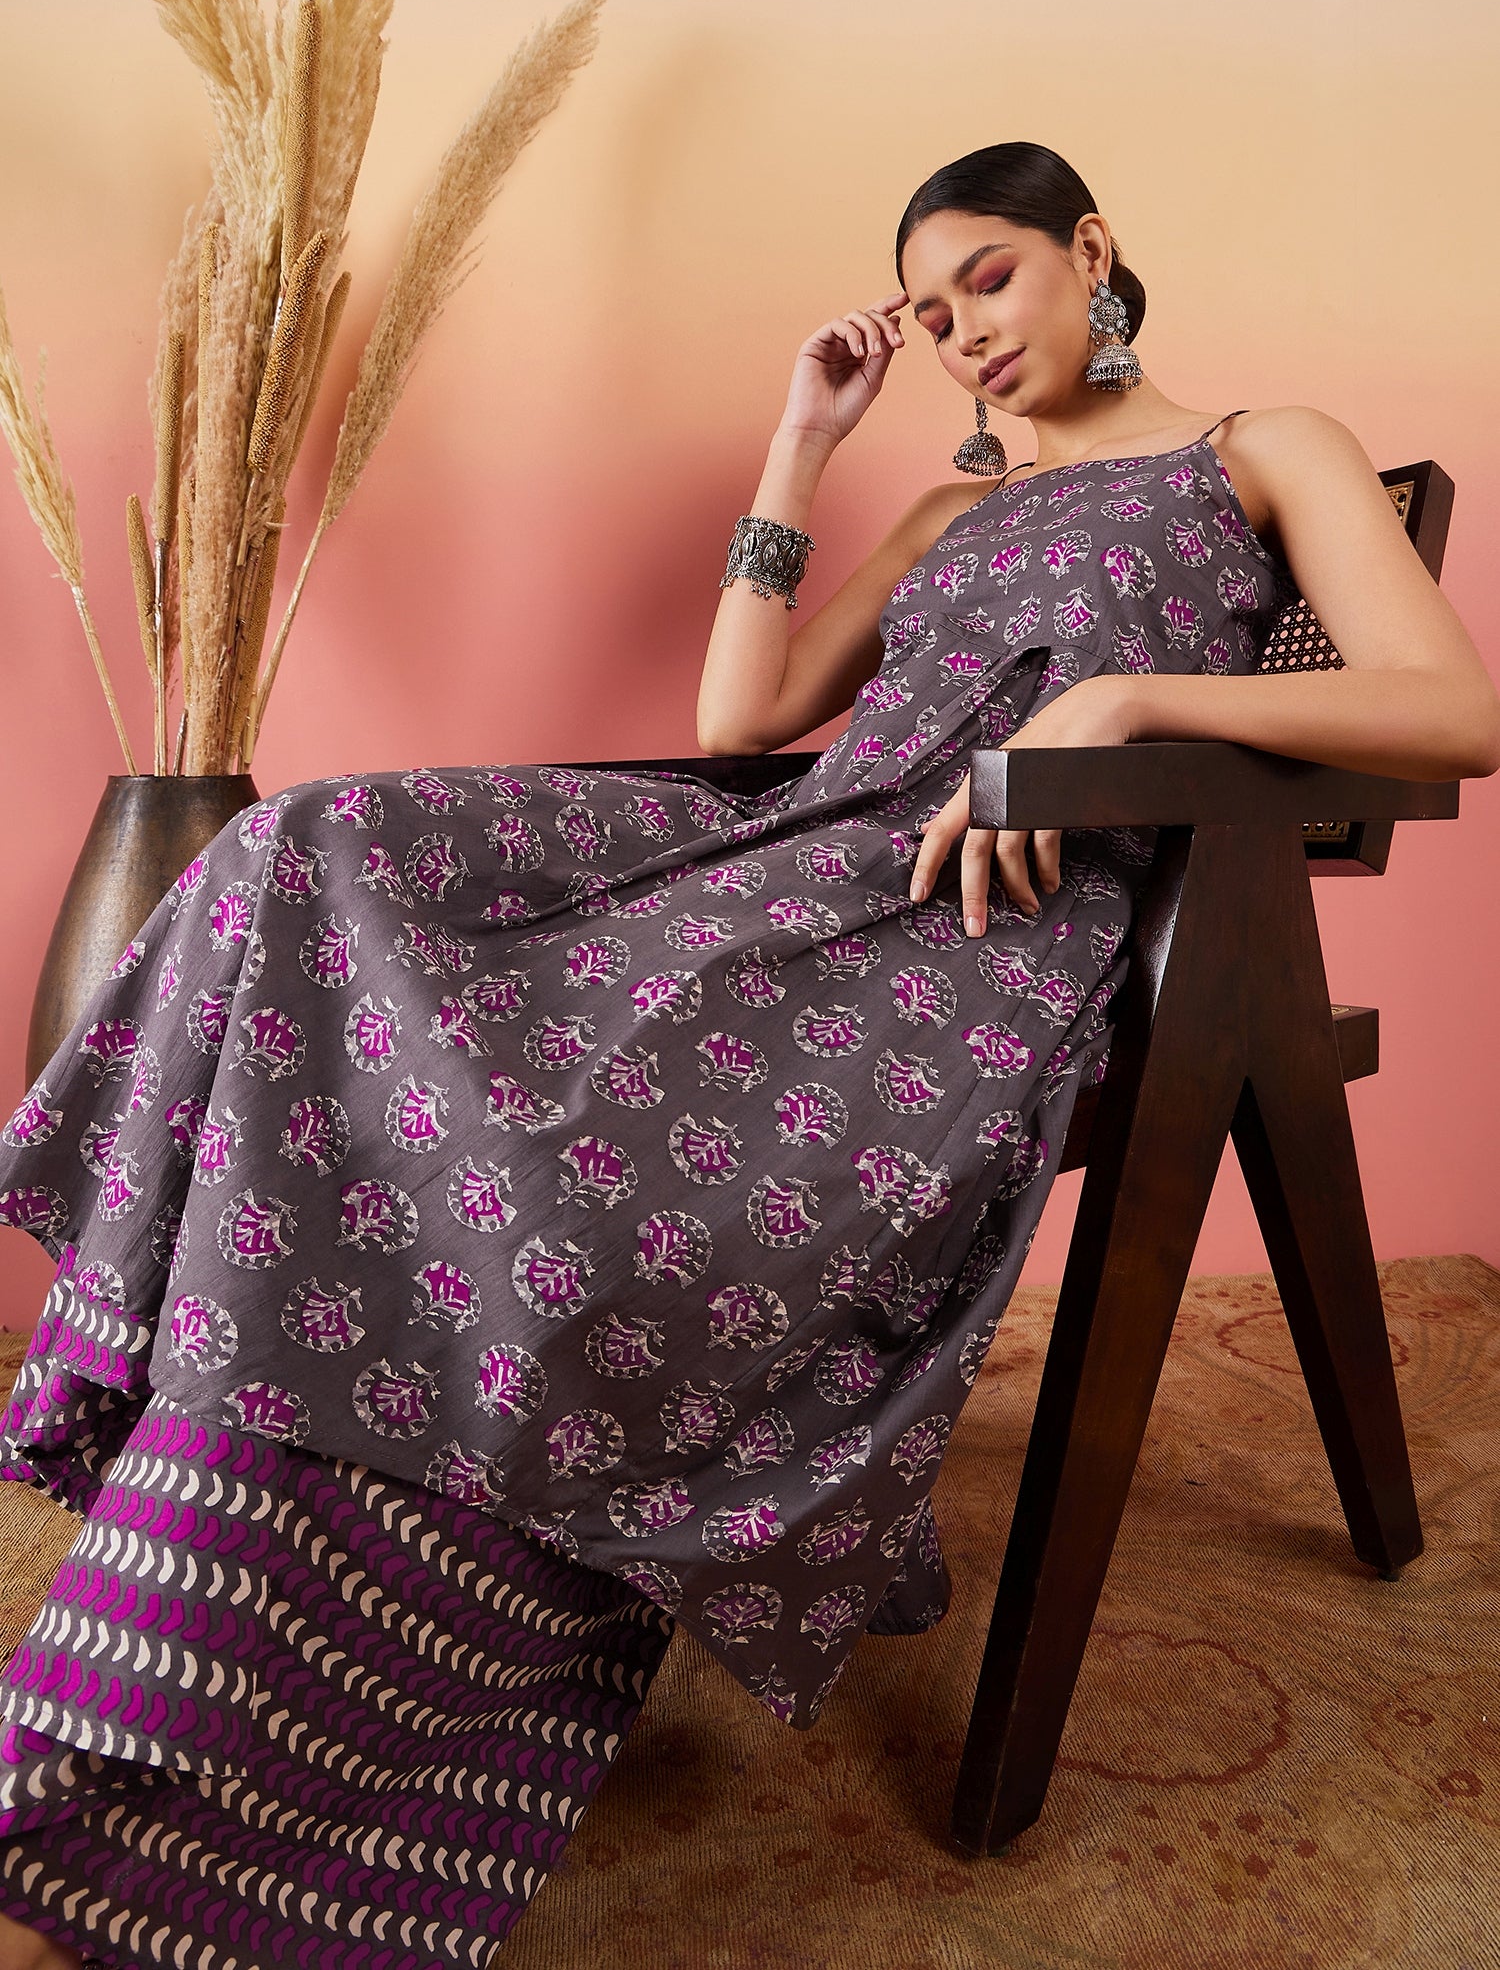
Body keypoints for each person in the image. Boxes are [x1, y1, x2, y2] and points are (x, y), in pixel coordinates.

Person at [0, 137, 1495, 1969]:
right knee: (307, 838)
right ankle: (182, 1449)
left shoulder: (1261, 451)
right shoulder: (950, 512)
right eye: (931, 316)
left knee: (560, 1177)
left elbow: (1454, 709)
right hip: (789, 856)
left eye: (991, 279)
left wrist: (1120, 702)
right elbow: (744, 720)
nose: (964, 332)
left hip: (981, 933)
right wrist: (802, 447)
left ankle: (368, 1656)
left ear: (1089, 246)